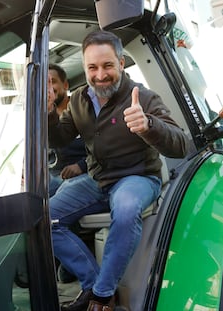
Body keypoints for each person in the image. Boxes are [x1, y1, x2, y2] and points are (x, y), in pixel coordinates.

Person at [48, 30, 189, 311]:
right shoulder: (79, 100)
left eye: (107, 65)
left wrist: (149, 125)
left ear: (121, 63)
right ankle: (93, 285)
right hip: (97, 179)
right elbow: (61, 138)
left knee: (125, 209)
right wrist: (50, 109)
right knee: (46, 218)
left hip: (137, 177)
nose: (100, 75)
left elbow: (181, 145)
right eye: (92, 67)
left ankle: (102, 295)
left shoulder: (144, 98)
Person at [48, 63, 87, 197]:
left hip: (82, 176)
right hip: (52, 177)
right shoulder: (40, 119)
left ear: (65, 85)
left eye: (52, 82)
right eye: (43, 84)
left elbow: (103, 146)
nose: (48, 88)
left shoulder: (84, 109)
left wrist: (81, 165)